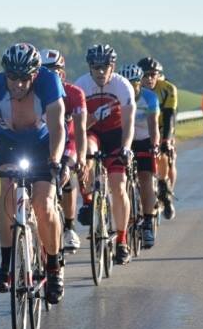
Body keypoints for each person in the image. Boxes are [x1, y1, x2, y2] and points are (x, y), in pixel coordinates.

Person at [0, 43, 67, 304]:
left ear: (35, 74)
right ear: (4, 74)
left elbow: (57, 128)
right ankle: (6, 265)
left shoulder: (50, 82)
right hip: (9, 143)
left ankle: (54, 268)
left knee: (43, 204)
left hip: (43, 144)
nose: (18, 85)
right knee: (8, 195)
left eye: (25, 79)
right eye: (13, 78)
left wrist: (55, 160)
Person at [74, 44, 136, 264]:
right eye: (95, 67)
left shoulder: (122, 86)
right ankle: (88, 200)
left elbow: (129, 125)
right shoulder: (81, 85)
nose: (100, 72)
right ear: (90, 67)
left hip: (116, 135)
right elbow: (78, 126)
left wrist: (127, 146)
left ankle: (122, 240)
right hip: (92, 133)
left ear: (113, 67)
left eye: (105, 67)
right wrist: (93, 118)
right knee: (87, 154)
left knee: (118, 186)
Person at [40, 49, 87, 252]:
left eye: (55, 71)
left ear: (63, 74)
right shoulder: (32, 95)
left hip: (68, 142)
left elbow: (81, 129)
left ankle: (69, 228)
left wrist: (82, 158)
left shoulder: (75, 93)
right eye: (45, 71)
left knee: (65, 174)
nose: (50, 75)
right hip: (42, 143)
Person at [119, 63, 160, 248]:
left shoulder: (149, 97)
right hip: (123, 141)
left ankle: (148, 222)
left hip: (144, 140)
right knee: (119, 181)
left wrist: (155, 145)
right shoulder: (118, 97)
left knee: (145, 178)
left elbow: (154, 125)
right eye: (127, 83)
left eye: (135, 83)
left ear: (140, 84)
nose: (131, 87)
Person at [138, 56, 178, 220]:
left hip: (163, 126)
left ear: (159, 75)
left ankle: (167, 191)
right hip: (141, 127)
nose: (149, 79)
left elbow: (169, 117)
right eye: (145, 75)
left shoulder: (167, 88)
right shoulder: (134, 88)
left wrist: (166, 141)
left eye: (153, 75)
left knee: (167, 157)